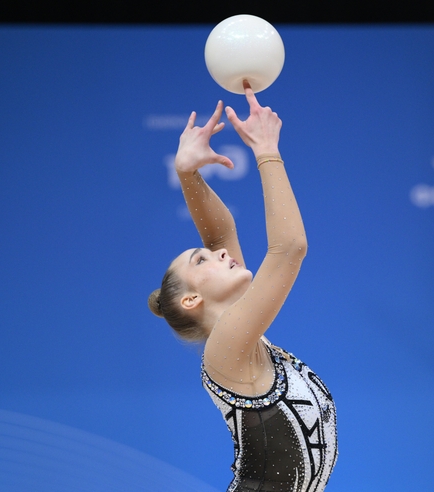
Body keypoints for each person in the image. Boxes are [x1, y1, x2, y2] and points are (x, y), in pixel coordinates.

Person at [148, 82, 338, 492]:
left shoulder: (248, 340)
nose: (219, 254)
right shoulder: (226, 350)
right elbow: (290, 248)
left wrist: (187, 171)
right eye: (201, 260)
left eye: (211, 253)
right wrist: (266, 150)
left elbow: (219, 235)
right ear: (192, 299)